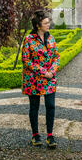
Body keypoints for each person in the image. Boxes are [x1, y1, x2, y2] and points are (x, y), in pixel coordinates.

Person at [21, 10, 60, 149]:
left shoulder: (51, 39)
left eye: (48, 22)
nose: (48, 24)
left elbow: (56, 56)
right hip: (34, 79)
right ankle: (35, 135)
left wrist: (53, 70)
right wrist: (44, 72)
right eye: (45, 23)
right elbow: (26, 60)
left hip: (50, 78)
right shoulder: (28, 40)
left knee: (51, 106)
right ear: (38, 25)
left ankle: (50, 135)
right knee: (34, 107)